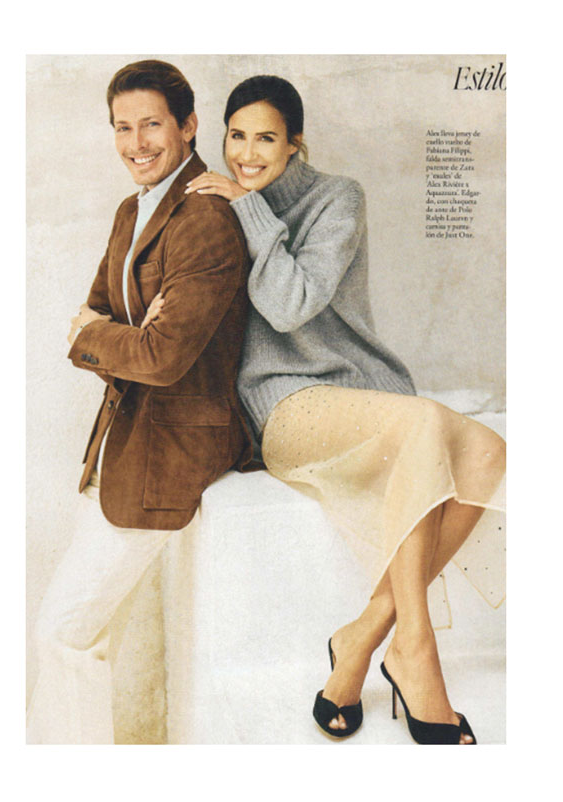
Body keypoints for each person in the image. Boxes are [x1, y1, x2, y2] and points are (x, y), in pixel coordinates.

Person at [179, 75, 506, 744]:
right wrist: (244, 208)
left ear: (295, 143)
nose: (246, 154)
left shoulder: (338, 198)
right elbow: (279, 313)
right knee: (425, 423)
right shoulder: (221, 207)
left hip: (362, 396)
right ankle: (416, 648)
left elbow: (295, 298)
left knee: (490, 451)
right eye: (236, 136)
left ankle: (361, 638)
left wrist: (250, 210)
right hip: (285, 408)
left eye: (265, 138)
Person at [26, 60, 253, 744]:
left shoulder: (205, 218)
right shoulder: (134, 210)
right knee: (89, 638)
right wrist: (118, 335)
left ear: (187, 125)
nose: (136, 143)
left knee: (63, 633)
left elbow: (159, 355)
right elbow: (92, 315)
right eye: (122, 128)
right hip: (122, 446)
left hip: (172, 452)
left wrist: (110, 338)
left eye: (151, 124)